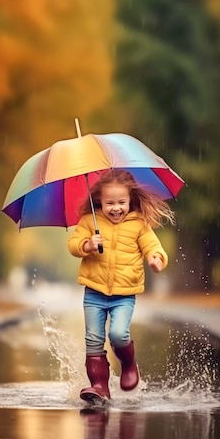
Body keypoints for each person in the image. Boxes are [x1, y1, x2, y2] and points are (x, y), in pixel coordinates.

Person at [68, 168, 175, 405]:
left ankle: (128, 364)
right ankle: (100, 386)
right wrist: (87, 245)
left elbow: (152, 247)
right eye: (109, 203)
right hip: (94, 292)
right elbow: (73, 244)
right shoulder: (89, 221)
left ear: (131, 200)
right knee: (93, 340)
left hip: (124, 295)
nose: (116, 208)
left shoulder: (139, 224)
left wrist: (157, 259)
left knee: (117, 334)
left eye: (122, 202)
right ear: (99, 201)